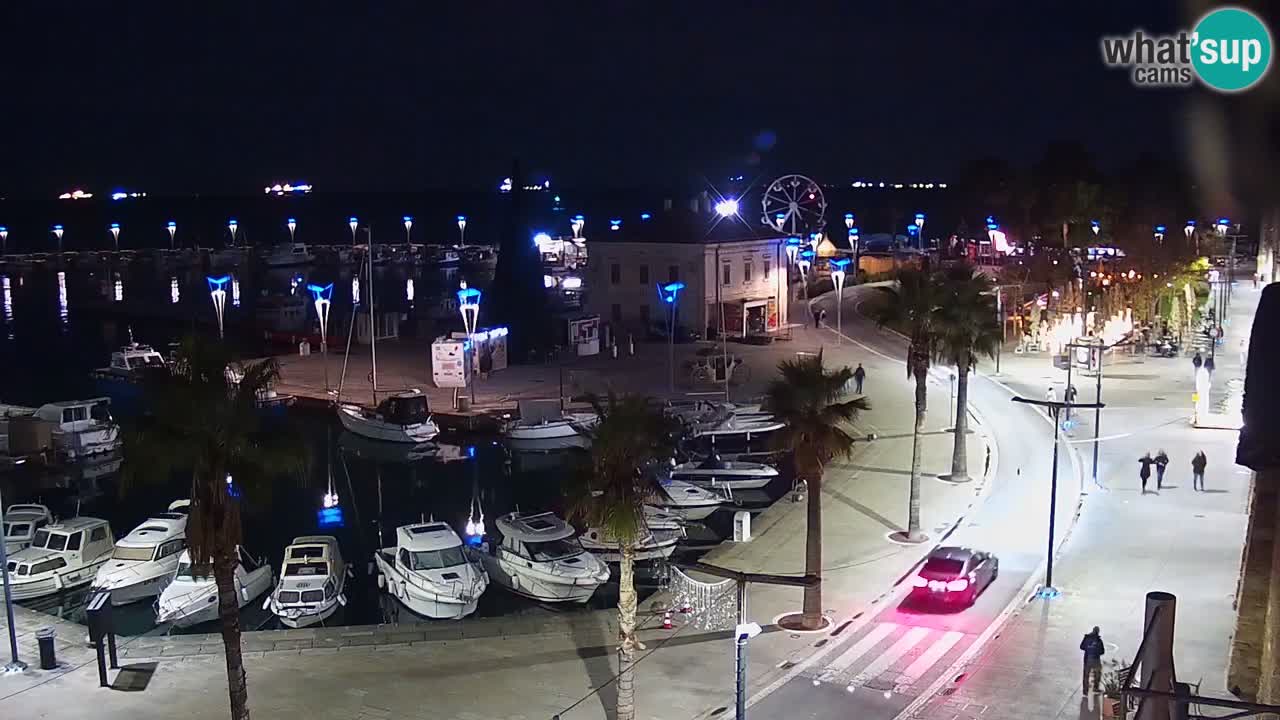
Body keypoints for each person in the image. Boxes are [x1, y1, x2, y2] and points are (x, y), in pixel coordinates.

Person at [1081, 626, 1105, 695]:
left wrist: (1088, 648)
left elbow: (1082, 646)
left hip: (1088, 659)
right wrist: (1096, 651)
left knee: (1086, 675)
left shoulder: (1087, 638)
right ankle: (1095, 687)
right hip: (1096, 660)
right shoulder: (1098, 640)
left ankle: (1085, 691)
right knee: (1097, 674)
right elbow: (1102, 651)